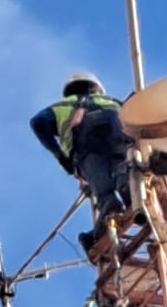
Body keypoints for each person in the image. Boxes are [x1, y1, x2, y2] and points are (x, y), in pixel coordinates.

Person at [30, 72, 132, 255]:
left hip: (86, 148)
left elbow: (37, 123)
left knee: (102, 186)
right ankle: (127, 188)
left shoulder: (60, 107)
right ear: (98, 89)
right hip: (117, 140)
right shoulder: (114, 102)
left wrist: (60, 156)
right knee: (121, 168)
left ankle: (109, 204)